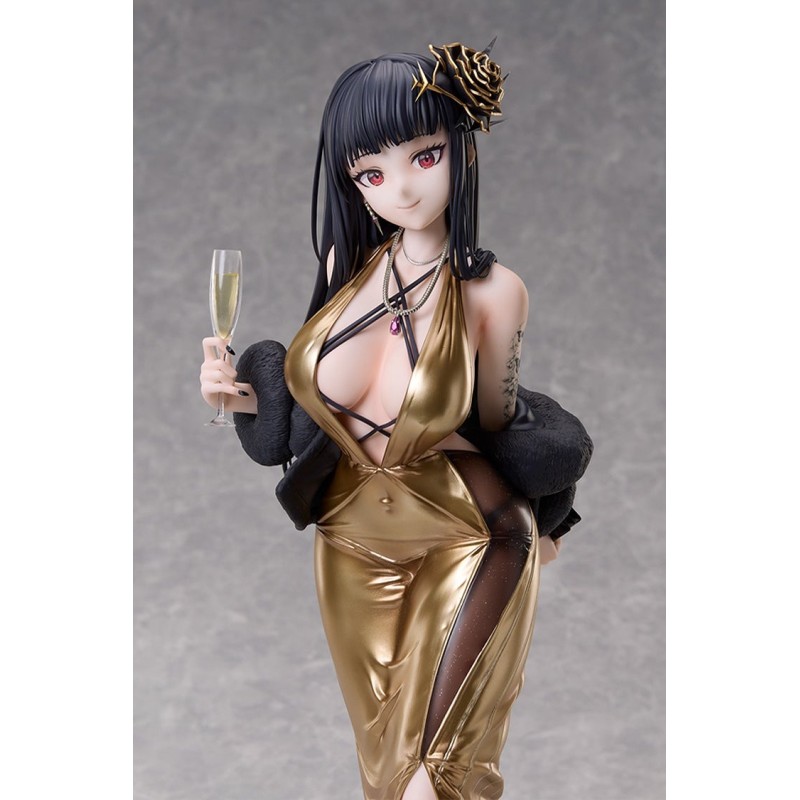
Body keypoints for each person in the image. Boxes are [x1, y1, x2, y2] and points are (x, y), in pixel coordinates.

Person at [200, 42, 592, 800]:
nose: (402, 188)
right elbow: (313, 406)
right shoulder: (346, 266)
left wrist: (550, 521)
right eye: (371, 173)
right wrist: (238, 395)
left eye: (424, 156)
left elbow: (504, 424)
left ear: (461, 150)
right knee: (385, 777)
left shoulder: (493, 292)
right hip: (347, 540)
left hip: (466, 532)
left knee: (435, 777)